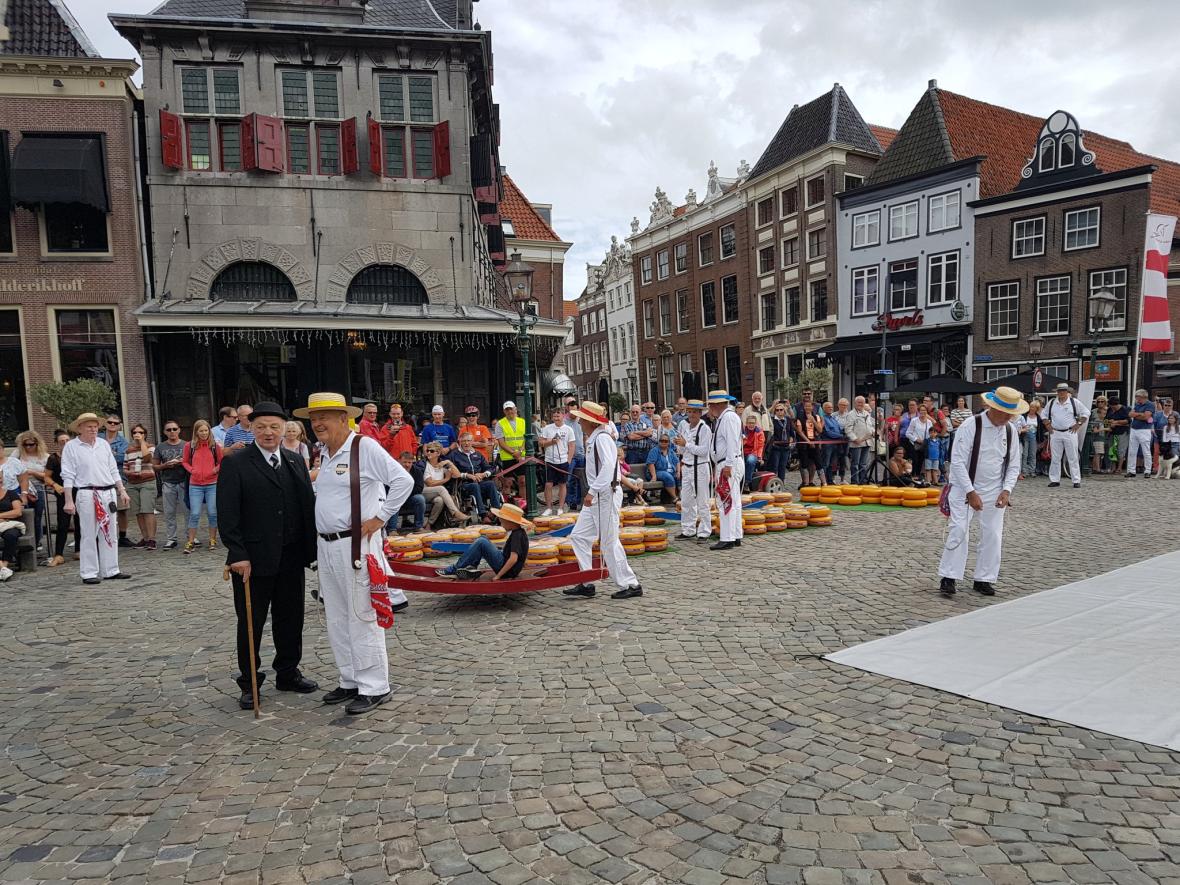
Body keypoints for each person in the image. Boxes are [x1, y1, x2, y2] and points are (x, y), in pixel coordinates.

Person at [296, 392, 413, 716]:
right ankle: (350, 679)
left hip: (355, 545)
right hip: (328, 545)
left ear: (343, 418)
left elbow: (402, 480)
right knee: (336, 616)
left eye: (325, 416)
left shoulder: (364, 447)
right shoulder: (326, 452)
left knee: (362, 615)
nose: (318, 423)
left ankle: (375, 686)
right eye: (314, 418)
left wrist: (381, 517)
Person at [217, 401, 319, 711]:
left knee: (291, 620)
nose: (268, 432)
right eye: (261, 427)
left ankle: (287, 673)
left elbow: (306, 507)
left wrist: (312, 550)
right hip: (252, 559)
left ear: (285, 429)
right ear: (252, 429)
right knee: (251, 621)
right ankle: (249, 682)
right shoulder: (237, 462)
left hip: (290, 557)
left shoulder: (293, 461)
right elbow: (227, 512)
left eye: (275, 427)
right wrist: (236, 553)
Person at [938, 386, 1023, 597]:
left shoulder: (1010, 430)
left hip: (994, 489)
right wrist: (970, 491)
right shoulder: (970, 426)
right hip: (963, 487)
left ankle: (984, 578)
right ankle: (949, 576)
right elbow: (957, 462)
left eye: (1010, 415)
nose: (1007, 419)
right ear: (992, 408)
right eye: (1004, 414)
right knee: (959, 530)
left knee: (993, 535)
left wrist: (1007, 490)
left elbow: (1013, 465)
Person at [563, 401, 643, 600]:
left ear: (590, 421)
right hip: (598, 496)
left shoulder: (602, 439)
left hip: (604, 494)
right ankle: (587, 580)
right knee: (579, 536)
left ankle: (630, 583)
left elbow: (608, 467)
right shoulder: (595, 438)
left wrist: (592, 491)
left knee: (608, 541)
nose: (579, 421)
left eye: (582, 418)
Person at [61, 413, 131, 586]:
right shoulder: (71, 447)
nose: (93, 429)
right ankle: (89, 572)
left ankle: (111, 569)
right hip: (86, 492)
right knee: (88, 534)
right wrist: (69, 500)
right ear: (80, 428)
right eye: (89, 426)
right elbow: (68, 474)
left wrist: (121, 490)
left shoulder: (103, 444)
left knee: (110, 532)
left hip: (108, 492)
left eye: (95, 426)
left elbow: (113, 469)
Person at [436, 502, 531, 581]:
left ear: (510, 522)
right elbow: (523, 553)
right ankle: (471, 567)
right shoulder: (518, 532)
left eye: (502, 521)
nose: (501, 524)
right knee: (484, 539)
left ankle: (454, 569)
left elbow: (513, 558)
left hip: (507, 571)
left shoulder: (516, 536)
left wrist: (498, 576)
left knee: (481, 542)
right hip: (506, 564)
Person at [708, 389, 744, 551]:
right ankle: (735, 534)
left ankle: (727, 537)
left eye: (711, 405)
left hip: (728, 463)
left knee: (726, 500)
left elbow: (731, 443)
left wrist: (728, 465)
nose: (710, 408)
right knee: (734, 501)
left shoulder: (728, 418)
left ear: (718, 405)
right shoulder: (727, 417)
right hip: (729, 462)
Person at [675, 399, 712, 540]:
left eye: (694, 412)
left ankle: (704, 531)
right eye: (689, 412)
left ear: (699, 413)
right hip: (687, 466)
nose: (691, 415)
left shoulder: (705, 429)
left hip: (700, 467)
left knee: (702, 501)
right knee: (686, 501)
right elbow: (682, 450)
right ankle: (688, 529)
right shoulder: (684, 426)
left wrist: (686, 444)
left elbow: (703, 451)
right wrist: (680, 445)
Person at [183, 419, 221, 553]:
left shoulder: (214, 446)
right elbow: (185, 462)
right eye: (201, 431)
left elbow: (221, 462)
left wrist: (215, 470)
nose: (204, 433)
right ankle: (190, 541)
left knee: (212, 512)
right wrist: (192, 470)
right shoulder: (190, 446)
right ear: (196, 432)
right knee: (194, 513)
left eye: (206, 430)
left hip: (212, 483)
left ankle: (212, 539)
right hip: (195, 484)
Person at [1043, 383, 1088, 488]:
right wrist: (1047, 424)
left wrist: (1079, 424)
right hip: (1055, 432)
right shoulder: (1052, 402)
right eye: (1059, 391)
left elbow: (1086, 413)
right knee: (1055, 457)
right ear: (1057, 392)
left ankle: (1076, 480)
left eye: (1063, 390)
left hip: (1070, 432)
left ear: (1068, 392)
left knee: (1073, 457)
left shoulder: (1074, 402)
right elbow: (1043, 414)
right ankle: (1055, 480)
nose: (1061, 392)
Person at [448, 432, 501, 522]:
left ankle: (496, 512)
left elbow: (489, 468)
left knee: (490, 484)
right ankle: (483, 515)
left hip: (479, 481)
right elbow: (451, 471)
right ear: (460, 442)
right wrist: (467, 475)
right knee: (475, 486)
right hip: (463, 484)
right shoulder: (454, 455)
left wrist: (483, 474)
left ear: (472, 442)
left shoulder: (478, 454)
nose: (466, 443)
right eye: (464, 441)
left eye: (468, 441)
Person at [153, 420, 188, 549]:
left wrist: (182, 463)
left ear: (179, 430)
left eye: (174, 429)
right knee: (169, 512)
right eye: (169, 430)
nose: (172, 432)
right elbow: (154, 466)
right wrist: (165, 465)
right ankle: (171, 538)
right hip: (168, 482)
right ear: (164, 432)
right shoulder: (160, 447)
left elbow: (194, 463)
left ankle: (190, 536)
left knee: (187, 510)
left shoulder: (187, 445)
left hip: (184, 481)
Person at [44, 429, 76, 568]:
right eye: (62, 441)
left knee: (80, 522)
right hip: (62, 492)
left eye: (67, 441)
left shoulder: (77, 455)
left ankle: (79, 549)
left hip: (78, 490)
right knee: (63, 523)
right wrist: (55, 485)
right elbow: (46, 476)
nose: (65, 443)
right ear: (57, 443)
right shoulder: (53, 458)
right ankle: (59, 554)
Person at [14, 430, 49, 551]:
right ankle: (24, 542)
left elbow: (48, 476)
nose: (28, 447)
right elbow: (10, 467)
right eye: (25, 445)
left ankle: (37, 540)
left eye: (31, 444)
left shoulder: (45, 457)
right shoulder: (18, 454)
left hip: (38, 487)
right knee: (23, 514)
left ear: (37, 444)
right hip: (21, 487)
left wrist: (32, 472)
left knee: (37, 515)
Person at [123, 424, 157, 550]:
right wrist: (129, 473)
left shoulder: (150, 447)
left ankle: (152, 539)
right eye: (135, 432)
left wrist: (142, 442)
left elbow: (148, 458)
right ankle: (145, 537)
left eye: (141, 432)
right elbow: (125, 468)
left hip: (147, 481)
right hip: (133, 483)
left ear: (145, 434)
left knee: (147, 510)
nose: (138, 434)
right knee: (138, 512)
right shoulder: (128, 450)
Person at [101, 414, 133, 548]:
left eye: (116, 423)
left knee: (121, 509)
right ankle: (103, 535)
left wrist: (107, 456)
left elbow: (122, 458)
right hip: (100, 479)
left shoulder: (123, 442)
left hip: (118, 478)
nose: (112, 425)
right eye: (110, 422)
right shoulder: (98, 438)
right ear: (105, 424)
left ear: (120, 425)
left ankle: (123, 536)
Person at [422, 443, 470, 527]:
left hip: (437, 493)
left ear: (438, 453)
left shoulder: (441, 464)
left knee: (439, 500)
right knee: (441, 488)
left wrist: (449, 462)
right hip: (424, 492)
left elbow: (457, 475)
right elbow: (430, 483)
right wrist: (446, 479)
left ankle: (429, 524)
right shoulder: (425, 465)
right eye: (427, 450)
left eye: (431, 451)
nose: (428, 452)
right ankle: (455, 513)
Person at [538, 407, 575, 516]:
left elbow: (572, 445)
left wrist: (568, 460)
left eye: (558, 416)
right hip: (550, 460)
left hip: (563, 460)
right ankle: (548, 508)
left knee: (562, 484)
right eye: (554, 416)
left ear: (563, 416)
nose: (556, 418)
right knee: (548, 484)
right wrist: (551, 442)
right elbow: (541, 443)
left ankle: (560, 507)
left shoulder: (568, 429)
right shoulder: (547, 428)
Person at [494, 401, 527, 499]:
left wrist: (520, 452)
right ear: (504, 411)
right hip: (508, 457)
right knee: (507, 483)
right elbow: (501, 442)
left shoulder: (522, 421)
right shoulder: (500, 424)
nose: (509, 412)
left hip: (521, 456)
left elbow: (525, 439)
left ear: (515, 409)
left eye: (511, 409)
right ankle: (507, 506)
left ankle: (524, 505)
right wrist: (514, 453)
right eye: (507, 410)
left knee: (523, 481)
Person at [391, 451, 428, 533]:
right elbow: (387, 487)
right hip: (395, 497)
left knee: (420, 498)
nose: (407, 465)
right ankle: (392, 529)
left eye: (409, 462)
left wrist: (403, 492)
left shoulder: (417, 471)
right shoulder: (392, 471)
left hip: (409, 497)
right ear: (399, 461)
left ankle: (419, 527)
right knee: (394, 500)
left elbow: (419, 488)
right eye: (404, 462)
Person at [1126, 388, 1156, 478]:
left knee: (1146, 451)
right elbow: (1130, 414)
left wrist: (1136, 415)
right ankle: (1131, 471)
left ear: (1143, 397)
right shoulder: (1137, 404)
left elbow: (1146, 417)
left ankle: (1147, 471)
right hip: (1134, 429)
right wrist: (1139, 415)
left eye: (1137, 397)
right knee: (1132, 451)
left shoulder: (1150, 404)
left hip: (1144, 430)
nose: (1136, 398)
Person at [563, 398, 586, 512]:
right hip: (570, 455)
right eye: (571, 411)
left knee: (581, 479)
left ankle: (579, 500)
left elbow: (585, 435)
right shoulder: (564, 422)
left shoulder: (581, 421)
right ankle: (571, 501)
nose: (573, 414)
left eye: (575, 411)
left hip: (581, 454)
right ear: (567, 410)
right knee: (569, 479)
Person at [846, 396, 875, 485]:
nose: (860, 404)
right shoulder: (851, 414)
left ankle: (863, 481)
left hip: (867, 442)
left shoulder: (867, 413)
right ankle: (855, 481)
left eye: (862, 402)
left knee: (863, 464)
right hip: (856, 443)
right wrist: (854, 438)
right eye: (858, 402)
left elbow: (870, 426)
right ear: (855, 403)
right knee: (855, 464)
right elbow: (848, 429)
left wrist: (873, 432)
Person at [906, 403, 936, 486]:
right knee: (914, 461)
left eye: (925, 410)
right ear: (919, 411)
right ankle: (912, 478)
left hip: (924, 445)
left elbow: (930, 433)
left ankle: (918, 479)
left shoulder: (929, 422)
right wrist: (916, 439)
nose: (923, 412)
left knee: (920, 462)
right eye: (921, 410)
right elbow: (908, 433)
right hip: (914, 444)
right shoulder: (914, 420)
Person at [795, 400, 823, 488]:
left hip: (815, 442)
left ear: (812, 407)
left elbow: (820, 430)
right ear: (804, 407)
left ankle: (823, 482)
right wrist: (808, 441)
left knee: (818, 462)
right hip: (804, 443)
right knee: (804, 463)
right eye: (806, 406)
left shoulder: (816, 416)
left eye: (809, 406)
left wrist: (813, 421)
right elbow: (799, 431)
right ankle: (806, 483)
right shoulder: (800, 417)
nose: (808, 408)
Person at [646, 434, 680, 504]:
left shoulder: (670, 451)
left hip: (670, 472)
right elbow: (650, 464)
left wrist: (678, 472)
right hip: (656, 472)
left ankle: (680, 495)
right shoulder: (654, 450)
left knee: (680, 476)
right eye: (662, 441)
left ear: (668, 442)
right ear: (659, 441)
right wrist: (654, 476)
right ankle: (675, 498)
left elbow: (677, 462)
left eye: (666, 441)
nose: (663, 442)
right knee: (667, 476)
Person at [0, 481, 23, 582]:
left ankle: (4, 565)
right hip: (5, 520)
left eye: (0, 478)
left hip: (10, 524)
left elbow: (17, 512)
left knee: (11, 535)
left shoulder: (11, 493)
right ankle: (2, 569)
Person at [766, 400, 794, 482]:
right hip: (776, 447)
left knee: (782, 467)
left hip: (786, 447)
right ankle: (772, 483)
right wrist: (773, 405)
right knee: (774, 467)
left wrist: (791, 441)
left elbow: (791, 433)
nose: (779, 412)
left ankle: (781, 484)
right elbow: (766, 414)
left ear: (784, 410)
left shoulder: (788, 420)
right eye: (777, 410)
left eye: (781, 410)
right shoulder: (772, 420)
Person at [1106, 395, 1130, 473]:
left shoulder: (1124, 409)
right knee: (1112, 450)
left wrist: (1116, 422)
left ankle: (1119, 468)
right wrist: (1109, 422)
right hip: (1112, 432)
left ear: (1117, 404)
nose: (1113, 407)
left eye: (1114, 406)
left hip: (1122, 432)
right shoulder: (1109, 409)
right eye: (1111, 406)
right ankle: (1113, 467)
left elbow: (1128, 421)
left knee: (1120, 450)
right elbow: (1106, 419)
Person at [741, 413, 764, 490]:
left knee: (750, 461)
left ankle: (747, 483)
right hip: (741, 452)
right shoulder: (742, 431)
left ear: (755, 423)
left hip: (753, 452)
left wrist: (760, 457)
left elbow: (760, 446)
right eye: (749, 423)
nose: (751, 425)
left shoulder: (759, 432)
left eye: (753, 423)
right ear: (746, 423)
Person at [1088, 396, 1110, 475]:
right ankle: (1097, 469)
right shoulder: (1093, 411)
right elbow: (1090, 423)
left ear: (1105, 402)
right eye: (1098, 401)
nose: (1100, 403)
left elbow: (1109, 422)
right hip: (1097, 435)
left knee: (1102, 453)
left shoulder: (1109, 410)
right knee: (1098, 452)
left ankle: (1098, 468)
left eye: (1102, 401)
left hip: (1107, 435)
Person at [1157, 412, 1180, 479]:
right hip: (1167, 445)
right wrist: (1164, 446)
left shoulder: (1179, 427)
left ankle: (1171, 473)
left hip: (1176, 444)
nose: (1170, 419)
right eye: (1169, 418)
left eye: (1172, 418)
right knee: (1165, 460)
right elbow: (1164, 437)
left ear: (1175, 419)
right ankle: (1166, 473)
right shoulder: (1166, 427)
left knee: (1173, 461)